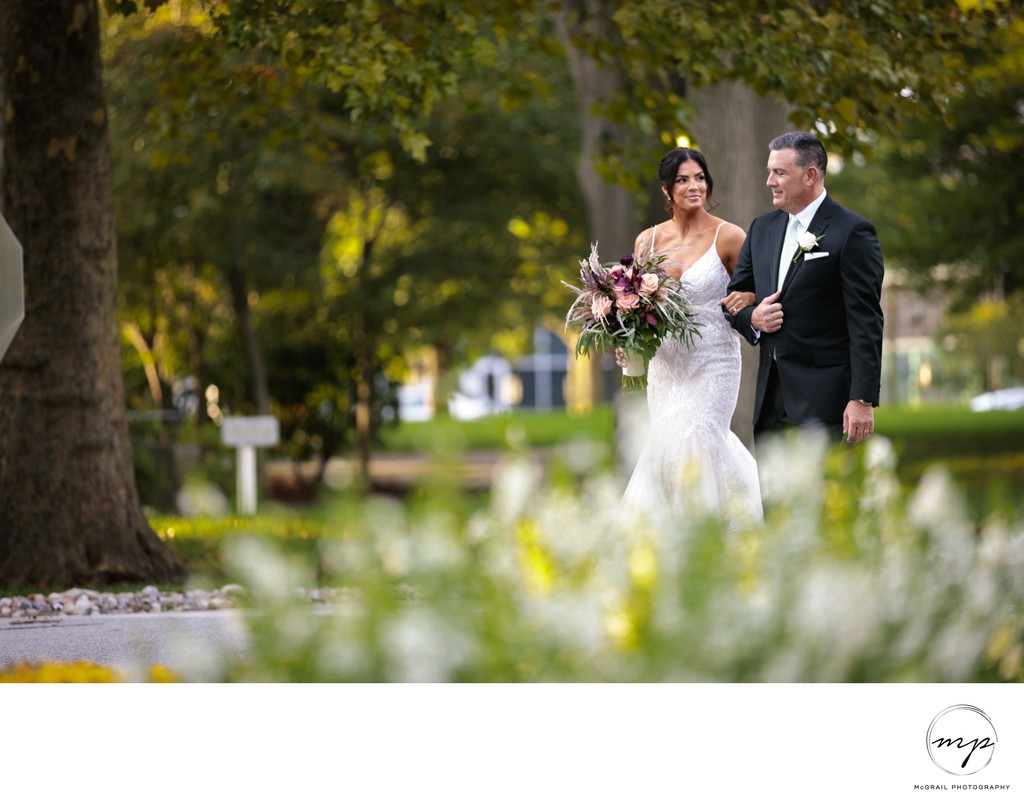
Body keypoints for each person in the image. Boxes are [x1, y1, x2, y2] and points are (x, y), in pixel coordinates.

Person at [616, 147, 762, 527]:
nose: (693, 186)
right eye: (683, 179)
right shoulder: (646, 243)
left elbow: (757, 292)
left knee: (694, 435)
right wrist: (627, 342)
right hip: (665, 365)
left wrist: (748, 295)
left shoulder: (729, 236)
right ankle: (665, 543)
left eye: (699, 177)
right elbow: (636, 308)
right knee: (666, 444)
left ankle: (704, 534)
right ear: (666, 189)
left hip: (714, 360)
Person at [722, 131, 884, 445]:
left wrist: (861, 399)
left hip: (825, 405)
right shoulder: (761, 229)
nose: (770, 181)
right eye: (769, 171)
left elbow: (866, 321)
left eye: (779, 172)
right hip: (769, 404)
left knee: (824, 495)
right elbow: (733, 300)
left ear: (810, 175)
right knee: (772, 496)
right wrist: (753, 319)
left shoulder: (852, 232)